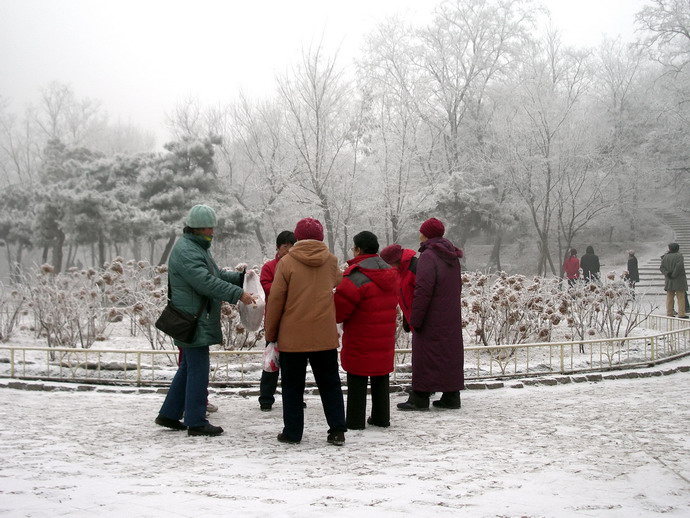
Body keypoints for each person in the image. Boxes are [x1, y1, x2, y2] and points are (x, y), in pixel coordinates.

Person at [155, 204, 256, 437]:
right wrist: (238, 294)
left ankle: (169, 414)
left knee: (188, 368)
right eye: (210, 228)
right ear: (199, 228)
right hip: (193, 319)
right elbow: (205, 283)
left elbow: (215, 275)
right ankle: (196, 421)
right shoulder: (188, 251)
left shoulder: (195, 248)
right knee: (198, 369)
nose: (213, 232)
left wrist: (241, 278)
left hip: (194, 318)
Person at [264, 217, 347, 445]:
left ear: (297, 237)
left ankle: (292, 433)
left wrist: (270, 334)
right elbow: (338, 279)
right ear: (321, 237)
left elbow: (276, 301)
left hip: (292, 337)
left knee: (292, 387)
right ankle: (337, 430)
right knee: (330, 385)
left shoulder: (286, 263)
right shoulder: (331, 261)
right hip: (324, 336)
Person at [398, 217, 464, 411]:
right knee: (449, 355)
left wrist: (415, 319)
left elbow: (423, 290)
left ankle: (419, 397)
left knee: (425, 356)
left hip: (431, 317)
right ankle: (452, 396)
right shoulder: (451, 255)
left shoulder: (428, 256)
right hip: (450, 314)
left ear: (426, 234)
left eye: (421, 231)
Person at [334, 231, 398, 430]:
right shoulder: (391, 274)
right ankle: (381, 418)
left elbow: (339, 312)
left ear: (359, 249)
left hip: (361, 336)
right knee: (381, 376)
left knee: (358, 376)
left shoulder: (355, 276)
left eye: (354, 248)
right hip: (384, 337)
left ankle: (355, 420)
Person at [258, 230, 297, 411]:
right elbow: (267, 288)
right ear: (278, 247)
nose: (288, 250)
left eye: (292, 246)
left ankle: (295, 397)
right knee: (271, 361)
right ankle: (266, 398)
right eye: (285, 247)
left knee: (294, 364)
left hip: (294, 320)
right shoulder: (269, 267)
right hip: (275, 320)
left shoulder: (298, 265)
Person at [380, 244, 418, 333]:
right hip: (413, 321)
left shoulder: (414, 269)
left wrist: (416, 320)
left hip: (421, 322)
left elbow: (422, 297)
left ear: (394, 260)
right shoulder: (400, 271)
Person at [660, 242, 688, 319]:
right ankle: (681, 314)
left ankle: (669, 312)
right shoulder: (679, 256)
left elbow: (662, 268)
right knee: (680, 297)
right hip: (679, 280)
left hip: (669, 280)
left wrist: (667, 274)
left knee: (669, 297)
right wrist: (673, 274)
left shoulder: (665, 257)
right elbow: (679, 266)